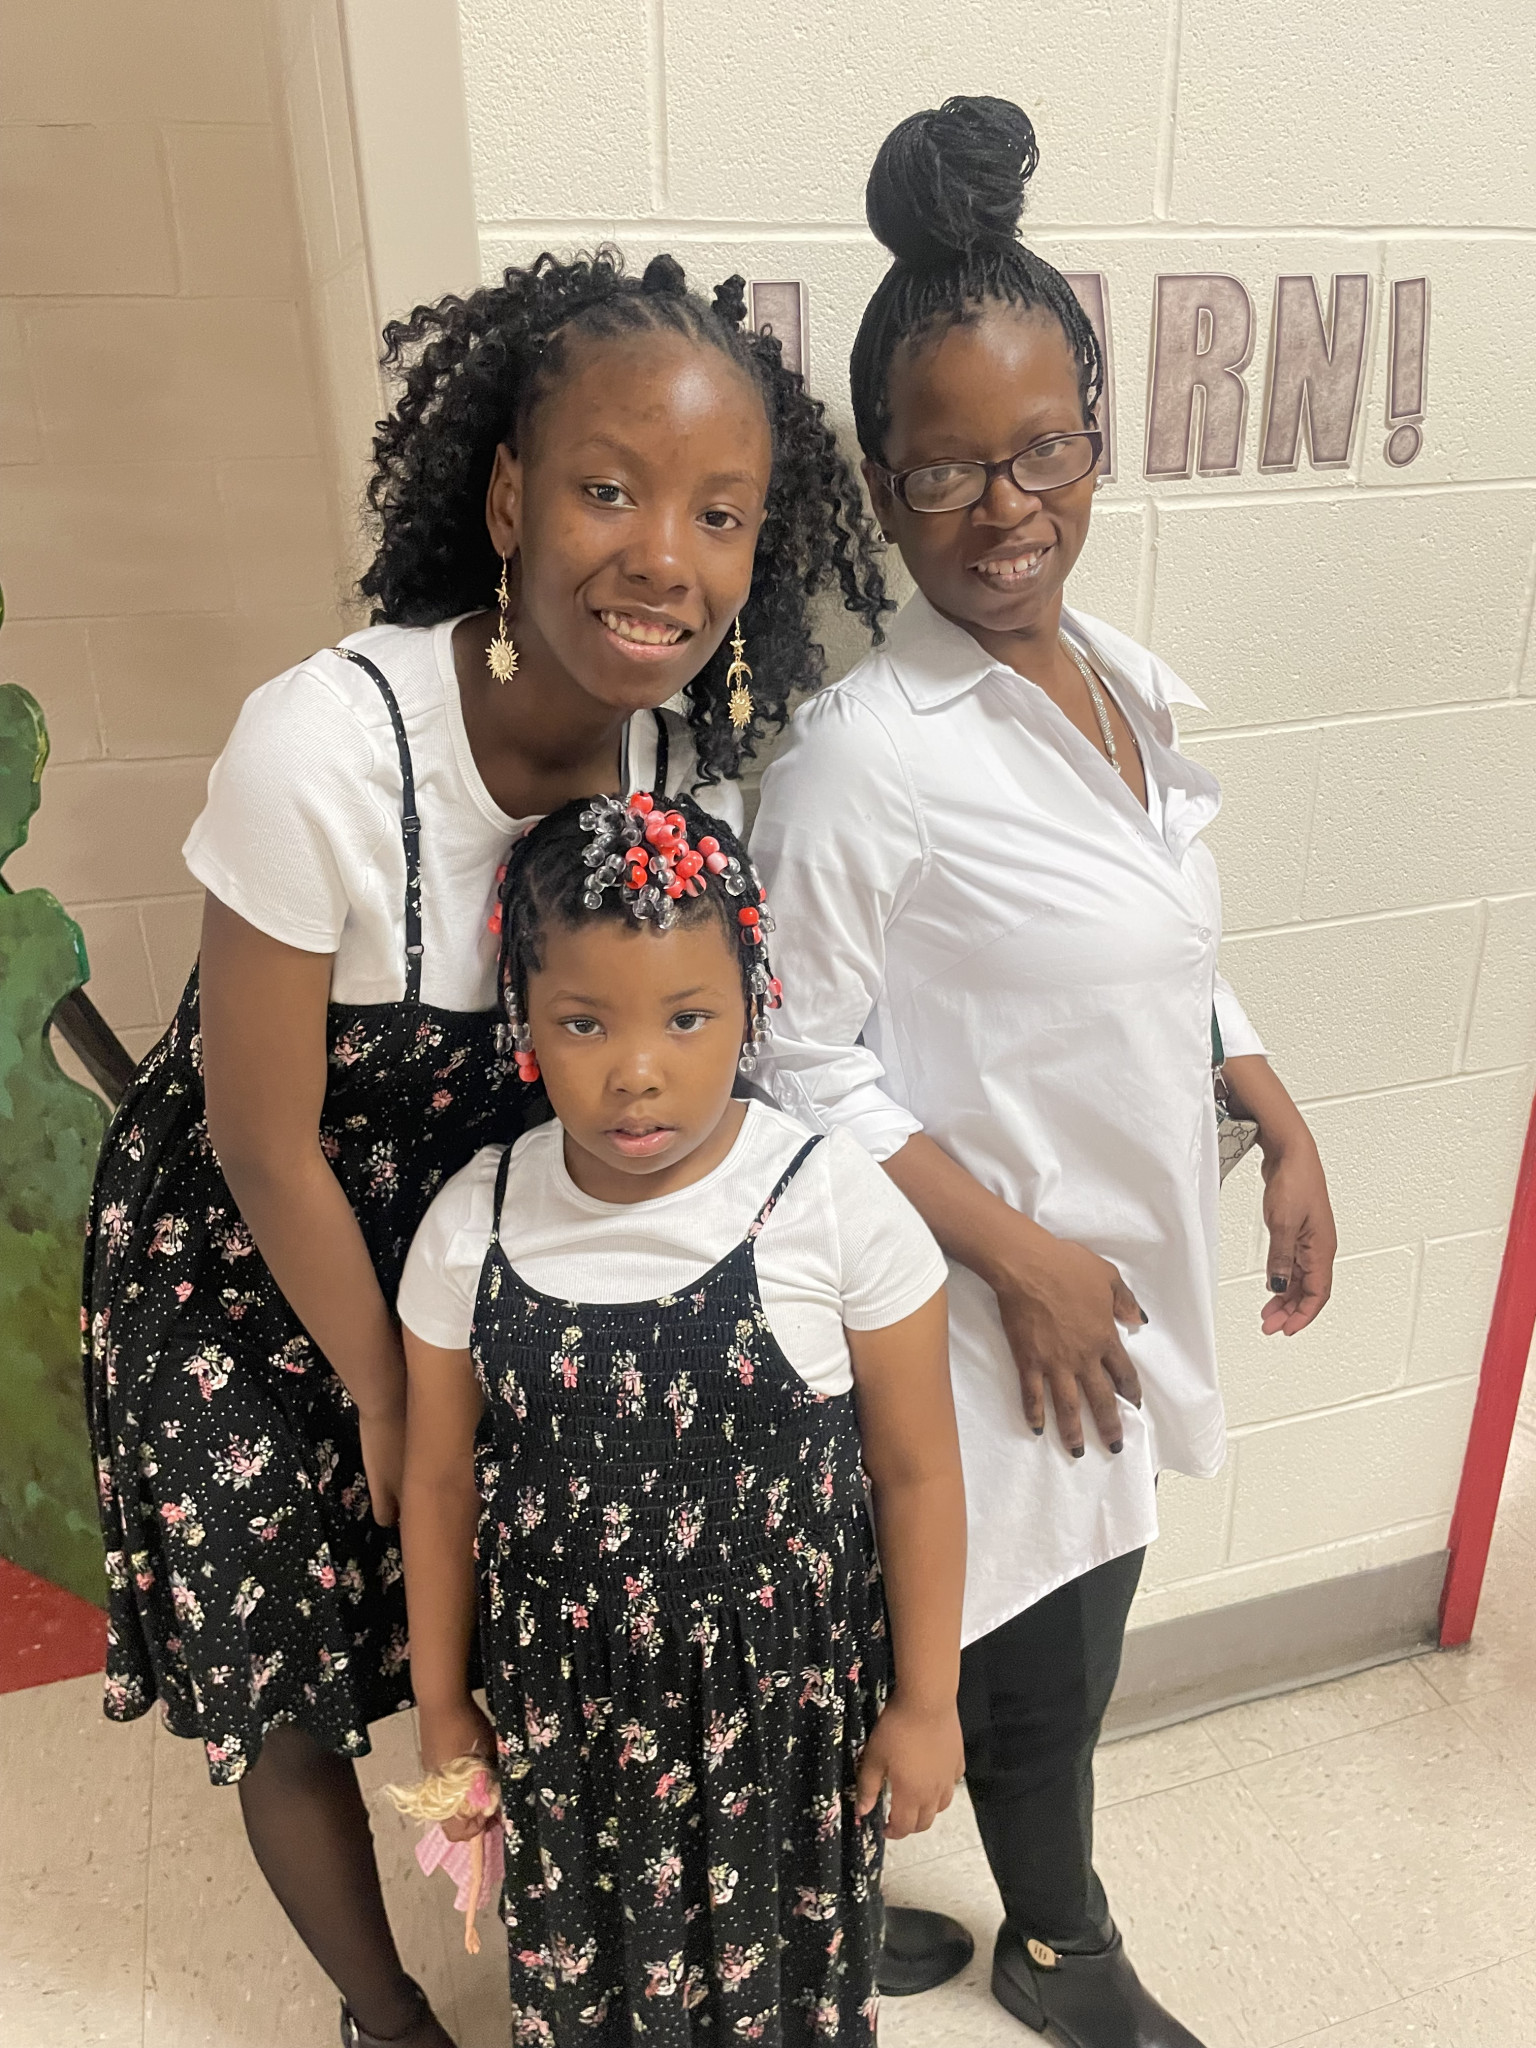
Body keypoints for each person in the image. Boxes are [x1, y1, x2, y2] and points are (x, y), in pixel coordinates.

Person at [83, 249, 887, 2048]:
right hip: (247, 1254)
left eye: (720, 513)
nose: (664, 555)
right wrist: (389, 1390)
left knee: (521, 1592)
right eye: (609, 489)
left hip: (476, 1246)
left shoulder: (678, 780)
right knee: (290, 1667)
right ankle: (386, 2012)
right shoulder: (322, 747)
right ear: (511, 498)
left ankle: (624, 1908)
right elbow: (259, 1135)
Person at [750, 98, 1337, 2048]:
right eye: (945, 470)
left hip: (1118, 1264)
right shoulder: (866, 759)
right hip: (982, 1301)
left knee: (1059, 1618)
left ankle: (837, 1895)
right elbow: (790, 1063)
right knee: (1028, 1653)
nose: (1004, 507)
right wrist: (1019, 1259)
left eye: (1041, 450)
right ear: (881, 482)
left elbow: (1163, 937)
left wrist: (1270, 1103)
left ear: (1097, 433)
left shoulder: (1122, 682)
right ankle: (1061, 1945)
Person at [393, 789, 968, 2046]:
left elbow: (918, 1468)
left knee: (785, 1985)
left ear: (752, 1006)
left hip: (784, 1704)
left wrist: (929, 1702)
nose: (637, 1069)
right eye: (584, 1021)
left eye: (687, 1017)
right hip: (568, 1708)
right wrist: (443, 1700)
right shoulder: (474, 1219)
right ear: (525, 1019)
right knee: (595, 1979)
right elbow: (436, 1479)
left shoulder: (832, 1202)